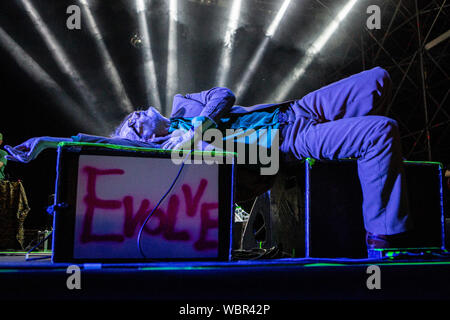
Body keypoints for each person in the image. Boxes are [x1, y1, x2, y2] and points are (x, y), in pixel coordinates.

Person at [5, 67, 412, 249]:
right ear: (138, 140)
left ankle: (350, 161)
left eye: (135, 114)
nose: (137, 115)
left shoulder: (184, 107)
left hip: (296, 108)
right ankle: (384, 235)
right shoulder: (163, 149)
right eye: (132, 123)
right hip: (289, 140)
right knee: (381, 131)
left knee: (377, 80)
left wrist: (199, 123)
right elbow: (101, 144)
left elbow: (224, 94)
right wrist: (47, 141)